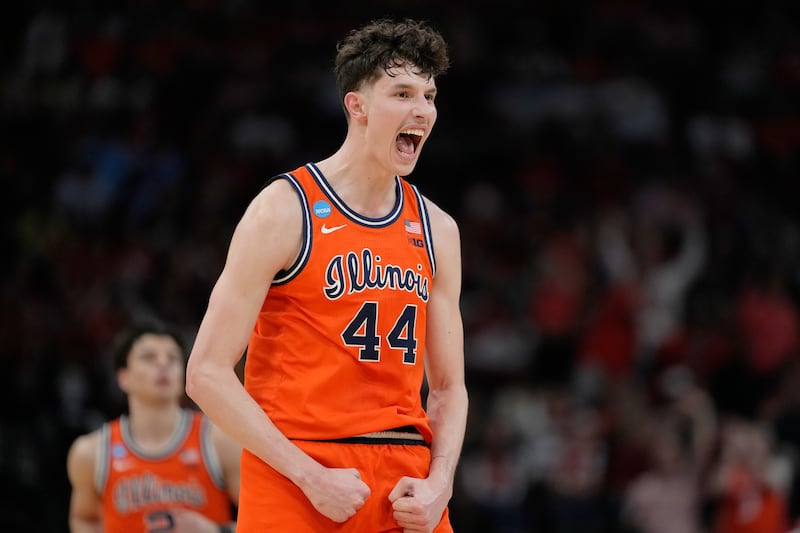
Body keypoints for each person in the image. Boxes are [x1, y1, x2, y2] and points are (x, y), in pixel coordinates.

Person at [185, 17, 468, 532]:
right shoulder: (283, 209)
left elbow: (448, 388)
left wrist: (440, 485)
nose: (422, 111)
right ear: (356, 106)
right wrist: (309, 475)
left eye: (428, 96)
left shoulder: (438, 229)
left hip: (406, 485)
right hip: (299, 474)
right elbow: (205, 374)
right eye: (401, 93)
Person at [66, 320, 241, 532]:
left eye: (173, 358)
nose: (163, 364)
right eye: (149, 357)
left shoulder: (219, 442)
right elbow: (84, 519)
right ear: (123, 377)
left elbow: (265, 520)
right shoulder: (91, 453)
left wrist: (216, 531)